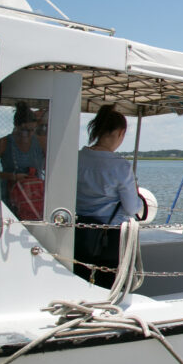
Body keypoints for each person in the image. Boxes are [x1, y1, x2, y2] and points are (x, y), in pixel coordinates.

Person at [75, 105, 143, 287]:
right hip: (109, 237)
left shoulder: (77, 158)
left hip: (79, 231)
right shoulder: (120, 167)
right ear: (121, 133)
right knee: (108, 284)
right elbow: (131, 208)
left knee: (79, 277)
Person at [0, 101, 46, 217]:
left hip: (36, 198)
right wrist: (12, 176)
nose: (28, 135)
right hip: (10, 198)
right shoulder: (4, 142)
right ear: (16, 125)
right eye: (25, 130)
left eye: (32, 130)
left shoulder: (41, 141)